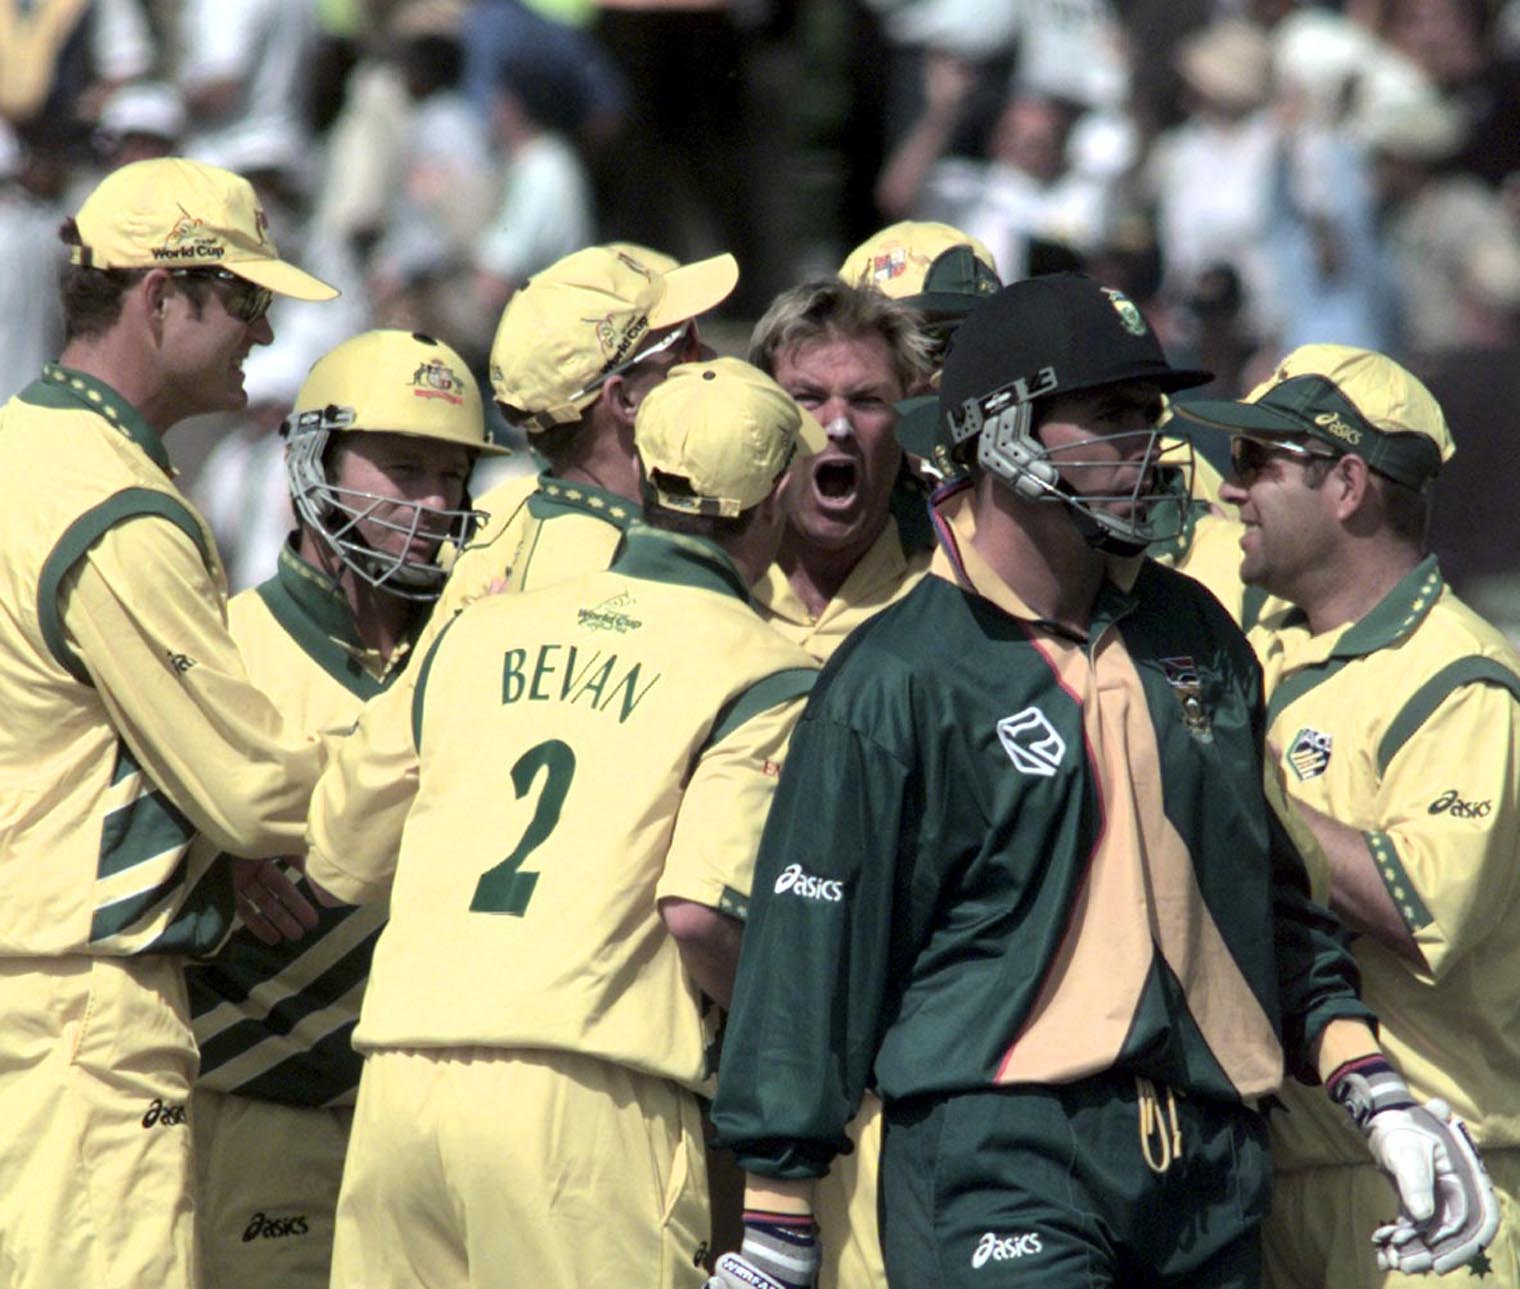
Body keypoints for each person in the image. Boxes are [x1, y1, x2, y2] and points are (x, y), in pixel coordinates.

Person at [708, 274, 1498, 1288]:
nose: (1151, 447)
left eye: (1148, 416)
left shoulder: (1198, 634)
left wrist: (1374, 1090)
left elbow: (1268, 897)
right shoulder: (895, 669)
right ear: (999, 430)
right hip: (1000, 1154)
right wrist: (777, 1211)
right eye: (1113, 418)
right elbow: (811, 941)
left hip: (1211, 1167)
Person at [304, 357, 824, 1287]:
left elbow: (340, 855)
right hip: (589, 1099)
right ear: (777, 495)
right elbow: (703, 914)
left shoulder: (479, 628)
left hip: (401, 1080)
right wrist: (807, 1037)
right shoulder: (767, 670)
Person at [0, 155, 337, 1288]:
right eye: (246, 297)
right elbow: (248, 787)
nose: (263, 328)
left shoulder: (17, 452)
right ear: (159, 297)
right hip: (83, 1011)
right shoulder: (117, 504)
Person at [1174, 344, 1520, 1286]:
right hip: (1276, 1172)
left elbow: (1421, 909)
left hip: (1433, 1175)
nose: (1231, 491)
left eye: (1257, 464)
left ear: (1349, 485)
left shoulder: (1460, 677)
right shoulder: (1262, 652)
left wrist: (1241, 786)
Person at [185, 328, 506, 1289]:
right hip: (261, 1094)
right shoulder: (226, 646)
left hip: (435, 1117)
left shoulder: (484, 650)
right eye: (404, 470)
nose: (436, 503)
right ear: (312, 463)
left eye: (453, 477)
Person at [426, 242, 733, 636]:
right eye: (685, 346)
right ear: (625, 400)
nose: (709, 356)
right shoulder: (637, 575)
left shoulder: (490, 530)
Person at [748, 278, 935, 660]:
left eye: (867, 401)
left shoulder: (944, 593)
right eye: (808, 399)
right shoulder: (714, 585)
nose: (839, 425)